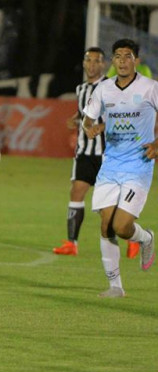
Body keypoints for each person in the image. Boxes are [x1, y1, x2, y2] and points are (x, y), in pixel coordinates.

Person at [83, 38, 158, 298]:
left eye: (128, 56)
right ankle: (115, 286)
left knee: (122, 227)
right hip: (110, 165)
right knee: (106, 226)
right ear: (113, 61)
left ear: (136, 61)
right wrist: (90, 127)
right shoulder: (104, 89)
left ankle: (145, 238)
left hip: (138, 165)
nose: (123, 61)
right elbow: (88, 118)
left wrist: (157, 142)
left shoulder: (150, 88)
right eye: (118, 56)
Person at [53, 47, 140, 258]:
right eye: (88, 60)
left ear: (104, 65)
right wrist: (76, 119)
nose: (92, 65)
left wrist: (101, 127)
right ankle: (72, 243)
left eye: (96, 61)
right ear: (83, 64)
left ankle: (133, 237)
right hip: (84, 152)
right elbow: (85, 111)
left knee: (107, 206)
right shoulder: (81, 89)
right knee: (76, 191)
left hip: (107, 154)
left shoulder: (111, 87)